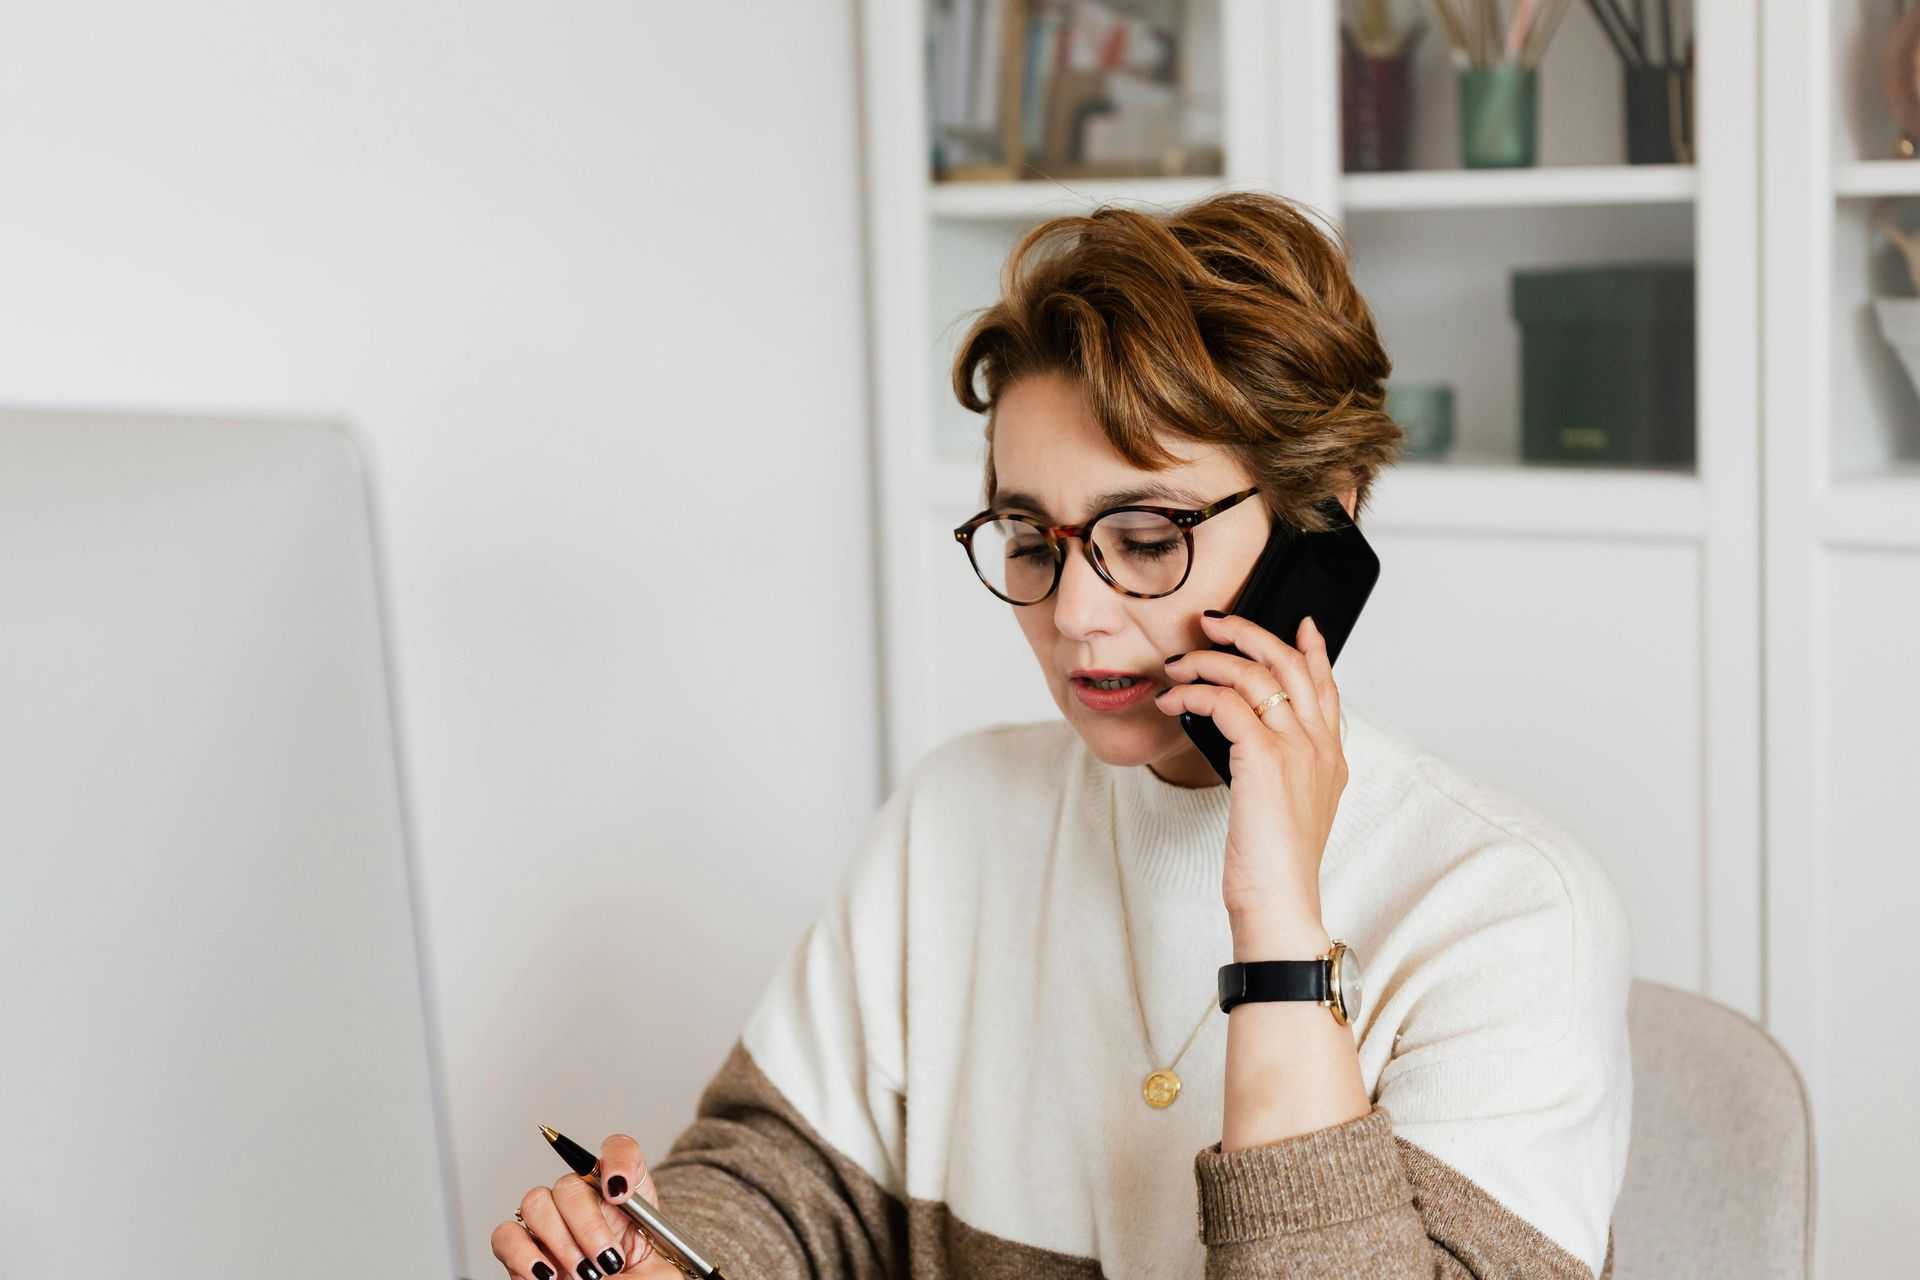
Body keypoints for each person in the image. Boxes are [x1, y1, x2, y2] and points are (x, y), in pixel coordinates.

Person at [489, 190, 1632, 1280]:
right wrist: (662, 1252)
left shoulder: (1507, 913)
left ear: (1314, 522)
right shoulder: (958, 819)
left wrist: (1279, 931)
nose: (1074, 613)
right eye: (1030, 536)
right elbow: (790, 1179)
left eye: (1143, 536)